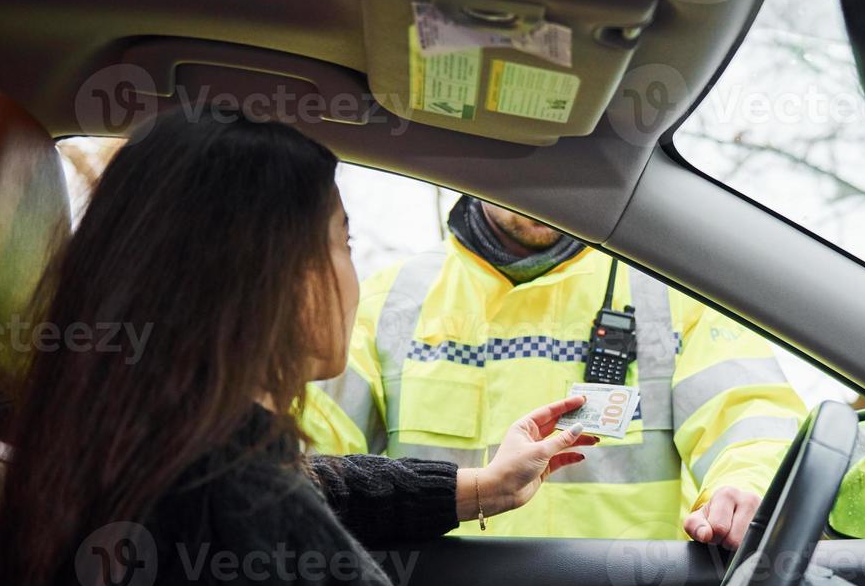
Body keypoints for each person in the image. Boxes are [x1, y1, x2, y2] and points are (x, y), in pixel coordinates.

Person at [0, 111, 779, 586]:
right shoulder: (221, 515)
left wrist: (479, 488)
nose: (353, 273)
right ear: (277, 277)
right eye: (341, 241)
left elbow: (305, 484)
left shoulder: (158, 470)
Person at [301, 193, 809, 548]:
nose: (543, 189)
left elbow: (751, 417)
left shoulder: (679, 294)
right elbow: (306, 466)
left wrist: (744, 487)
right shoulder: (384, 302)